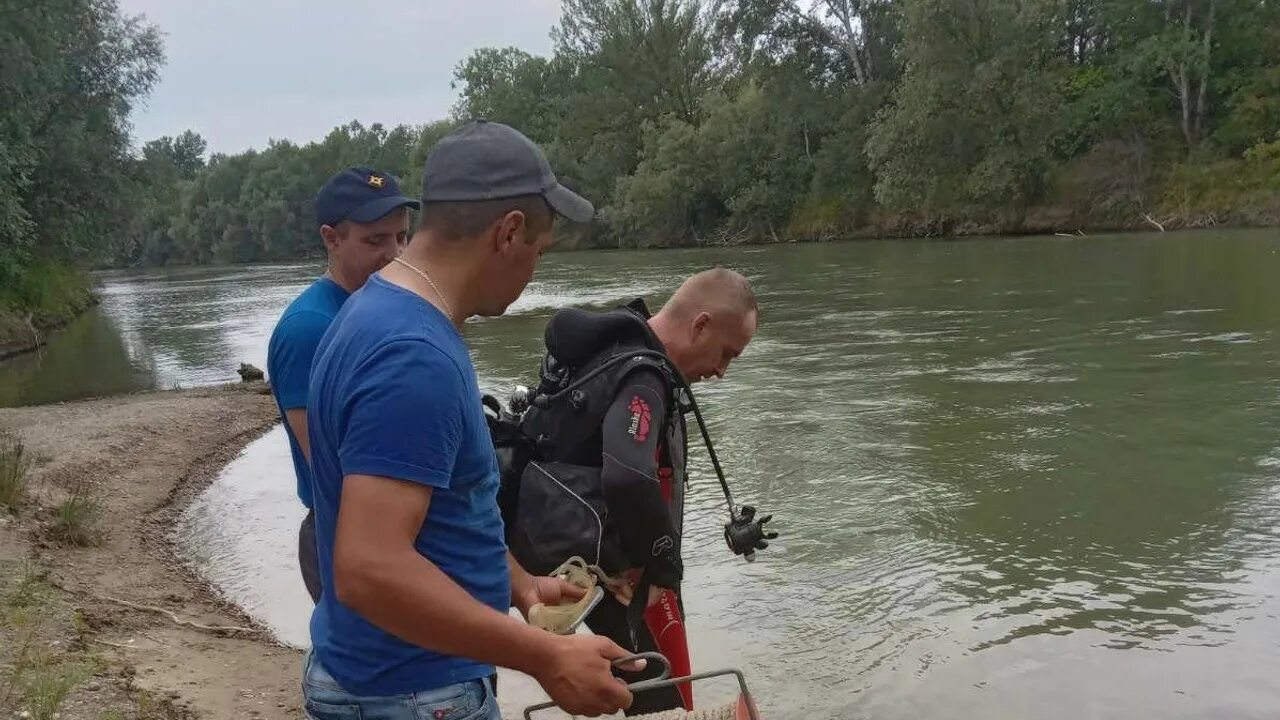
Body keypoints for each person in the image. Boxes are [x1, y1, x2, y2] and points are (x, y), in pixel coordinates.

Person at [302, 119, 640, 720]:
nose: (534, 271)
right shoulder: (414, 355)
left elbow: (442, 511)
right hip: (413, 692)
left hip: (375, 673)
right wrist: (545, 657)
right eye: (539, 251)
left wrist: (520, 587)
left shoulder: (372, 311)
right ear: (508, 232)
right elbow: (368, 567)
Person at [507, 268, 762, 715]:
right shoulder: (643, 374)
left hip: (560, 546)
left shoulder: (621, 345)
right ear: (700, 324)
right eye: (726, 354)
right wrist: (663, 568)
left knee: (649, 686)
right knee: (660, 691)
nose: (722, 371)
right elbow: (627, 474)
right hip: (612, 573)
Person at [266, 167, 417, 603]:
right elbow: (331, 461)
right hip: (342, 536)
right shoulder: (310, 328)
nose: (394, 254)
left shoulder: (378, 307)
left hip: (386, 532)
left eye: (401, 238)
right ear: (331, 238)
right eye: (375, 241)